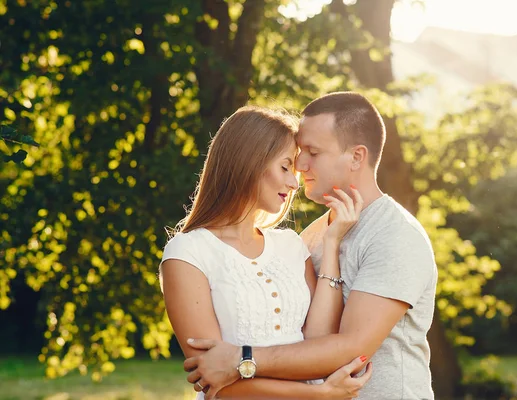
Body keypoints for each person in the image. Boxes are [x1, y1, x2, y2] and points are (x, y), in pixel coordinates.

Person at [184, 92, 438, 400]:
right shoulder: (311, 238)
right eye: (298, 152)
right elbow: (303, 339)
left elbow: (353, 347)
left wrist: (242, 359)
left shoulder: (395, 235)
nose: (300, 164)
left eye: (313, 152)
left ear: (357, 156)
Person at [159, 105, 372, 400]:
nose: (294, 183)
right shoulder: (188, 252)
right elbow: (214, 380)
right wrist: (320, 395)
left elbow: (317, 342)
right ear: (249, 161)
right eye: (285, 167)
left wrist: (332, 242)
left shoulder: (290, 245)